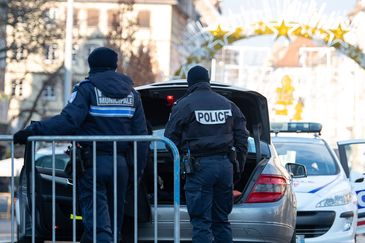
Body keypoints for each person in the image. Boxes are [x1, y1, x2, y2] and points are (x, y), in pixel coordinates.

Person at [13, 47, 148, 242]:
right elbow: (142, 136)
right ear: (115, 65)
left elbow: (68, 121)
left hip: (92, 163)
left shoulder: (87, 89)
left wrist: (32, 131)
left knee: (99, 227)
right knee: (114, 225)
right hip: (121, 166)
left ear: (91, 65)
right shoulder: (132, 94)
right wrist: (134, 172)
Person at [164, 65, 249, 243]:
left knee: (202, 222)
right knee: (221, 220)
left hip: (200, 168)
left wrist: (180, 164)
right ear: (208, 80)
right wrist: (238, 166)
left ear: (190, 83)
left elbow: (170, 138)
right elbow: (242, 137)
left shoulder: (185, 105)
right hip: (225, 166)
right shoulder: (228, 104)